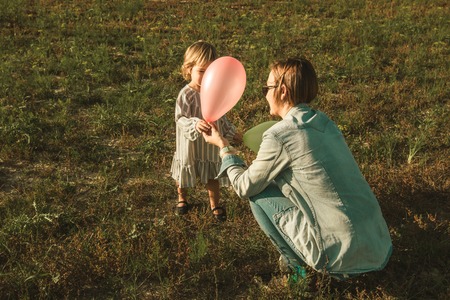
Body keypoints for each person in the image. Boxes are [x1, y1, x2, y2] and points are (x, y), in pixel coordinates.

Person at [202, 57, 392, 279]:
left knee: (258, 192)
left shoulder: (279, 135)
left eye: (267, 88)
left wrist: (224, 148)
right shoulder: (323, 121)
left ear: (282, 91)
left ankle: (297, 271)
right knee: (272, 180)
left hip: (338, 256)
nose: (264, 94)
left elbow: (244, 187)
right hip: (379, 246)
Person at [170, 40, 242, 222]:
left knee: (212, 178)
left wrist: (232, 133)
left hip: (209, 147)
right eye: (201, 71)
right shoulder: (186, 94)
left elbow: (221, 117)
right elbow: (180, 118)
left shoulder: (215, 91)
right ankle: (182, 198)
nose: (206, 76)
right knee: (184, 174)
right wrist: (195, 124)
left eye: (210, 72)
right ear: (189, 69)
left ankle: (214, 204)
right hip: (190, 145)